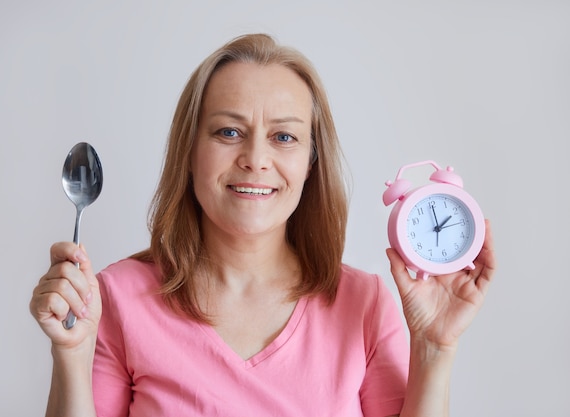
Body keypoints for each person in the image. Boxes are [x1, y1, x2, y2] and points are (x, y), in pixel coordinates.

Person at [30, 33, 496, 417]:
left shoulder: (365, 305)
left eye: (284, 137)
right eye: (228, 131)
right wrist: (71, 353)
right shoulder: (115, 297)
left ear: (311, 163)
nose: (255, 159)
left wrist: (435, 349)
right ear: (190, 153)